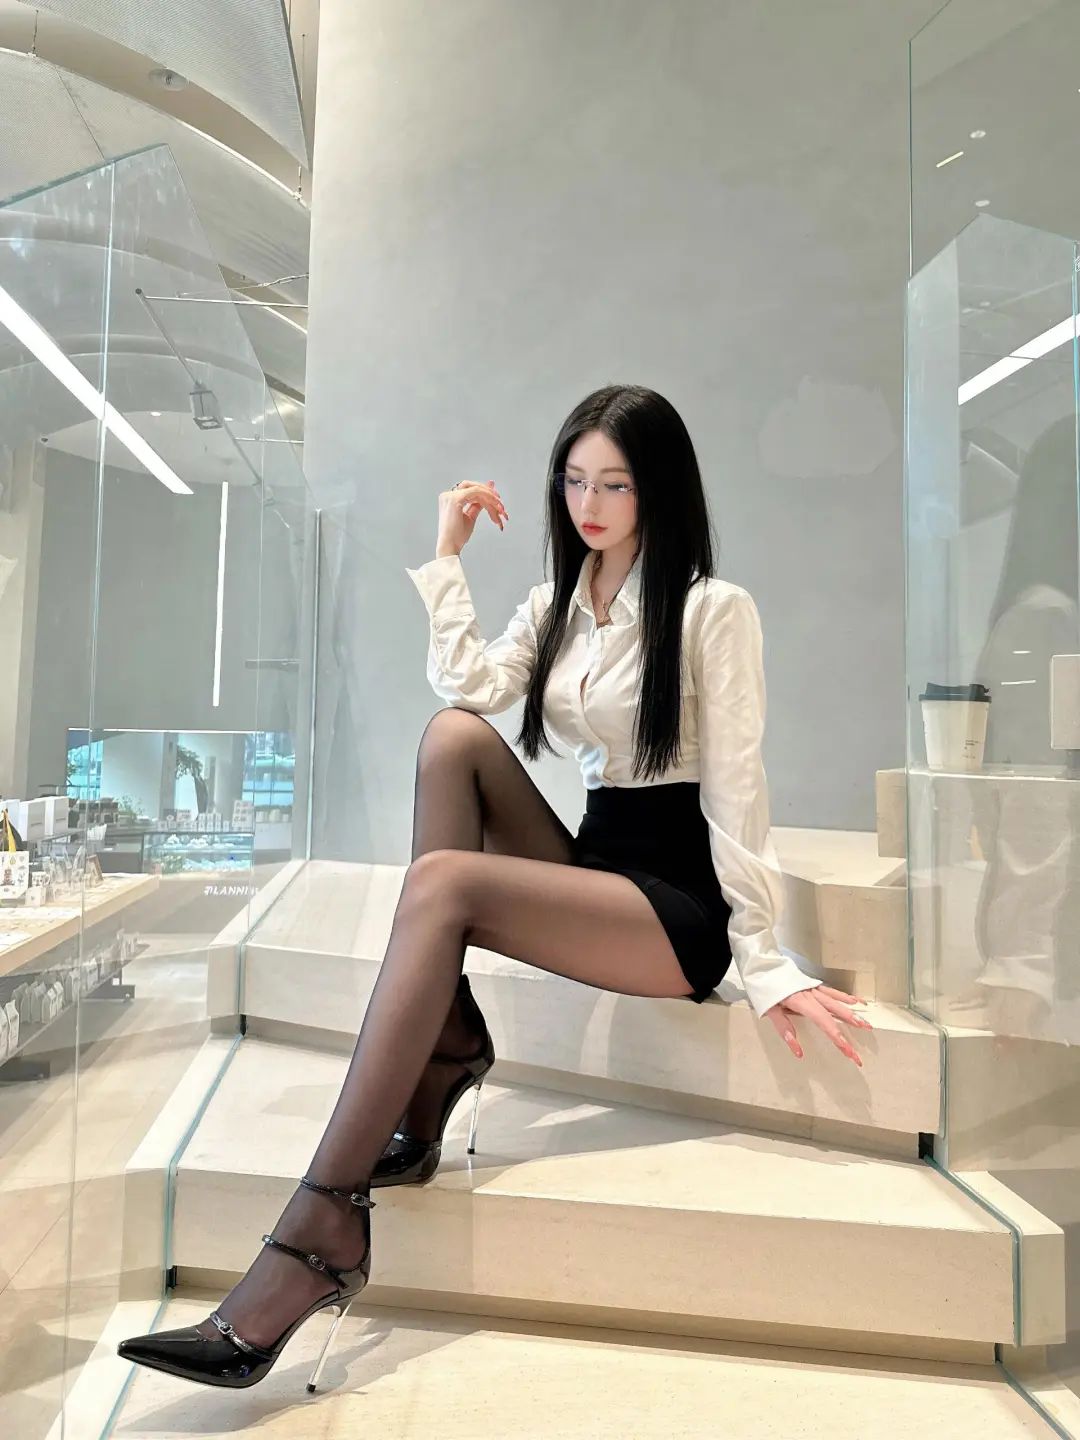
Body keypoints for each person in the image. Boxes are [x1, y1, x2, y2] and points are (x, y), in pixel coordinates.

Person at [117, 383, 870, 1392]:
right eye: (574, 481)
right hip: (596, 868)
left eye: (615, 484)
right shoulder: (559, 605)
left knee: (442, 886)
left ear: (658, 491)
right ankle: (443, 1048)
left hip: (673, 908)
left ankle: (324, 1221)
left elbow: (739, 787)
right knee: (452, 739)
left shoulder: (710, 610)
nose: (589, 504)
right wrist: (448, 555)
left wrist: (764, 959)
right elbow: (470, 690)